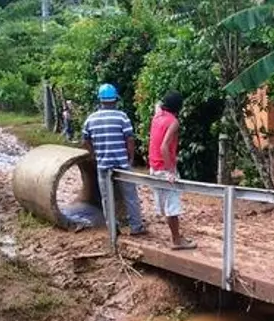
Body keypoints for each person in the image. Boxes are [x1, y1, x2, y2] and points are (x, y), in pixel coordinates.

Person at [82, 83, 146, 236]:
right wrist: (130, 158)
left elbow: (85, 140)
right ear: (115, 100)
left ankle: (113, 229)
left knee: (106, 198)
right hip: (122, 164)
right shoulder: (122, 117)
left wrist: (94, 155)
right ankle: (136, 227)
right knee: (130, 196)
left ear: (100, 100)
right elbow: (129, 139)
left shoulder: (91, 119)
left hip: (103, 165)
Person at [148, 90, 195, 250]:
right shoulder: (173, 122)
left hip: (154, 167)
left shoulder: (157, 117)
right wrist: (170, 172)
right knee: (172, 206)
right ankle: (176, 240)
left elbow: (157, 106)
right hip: (164, 167)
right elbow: (164, 147)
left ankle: (176, 236)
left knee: (167, 206)